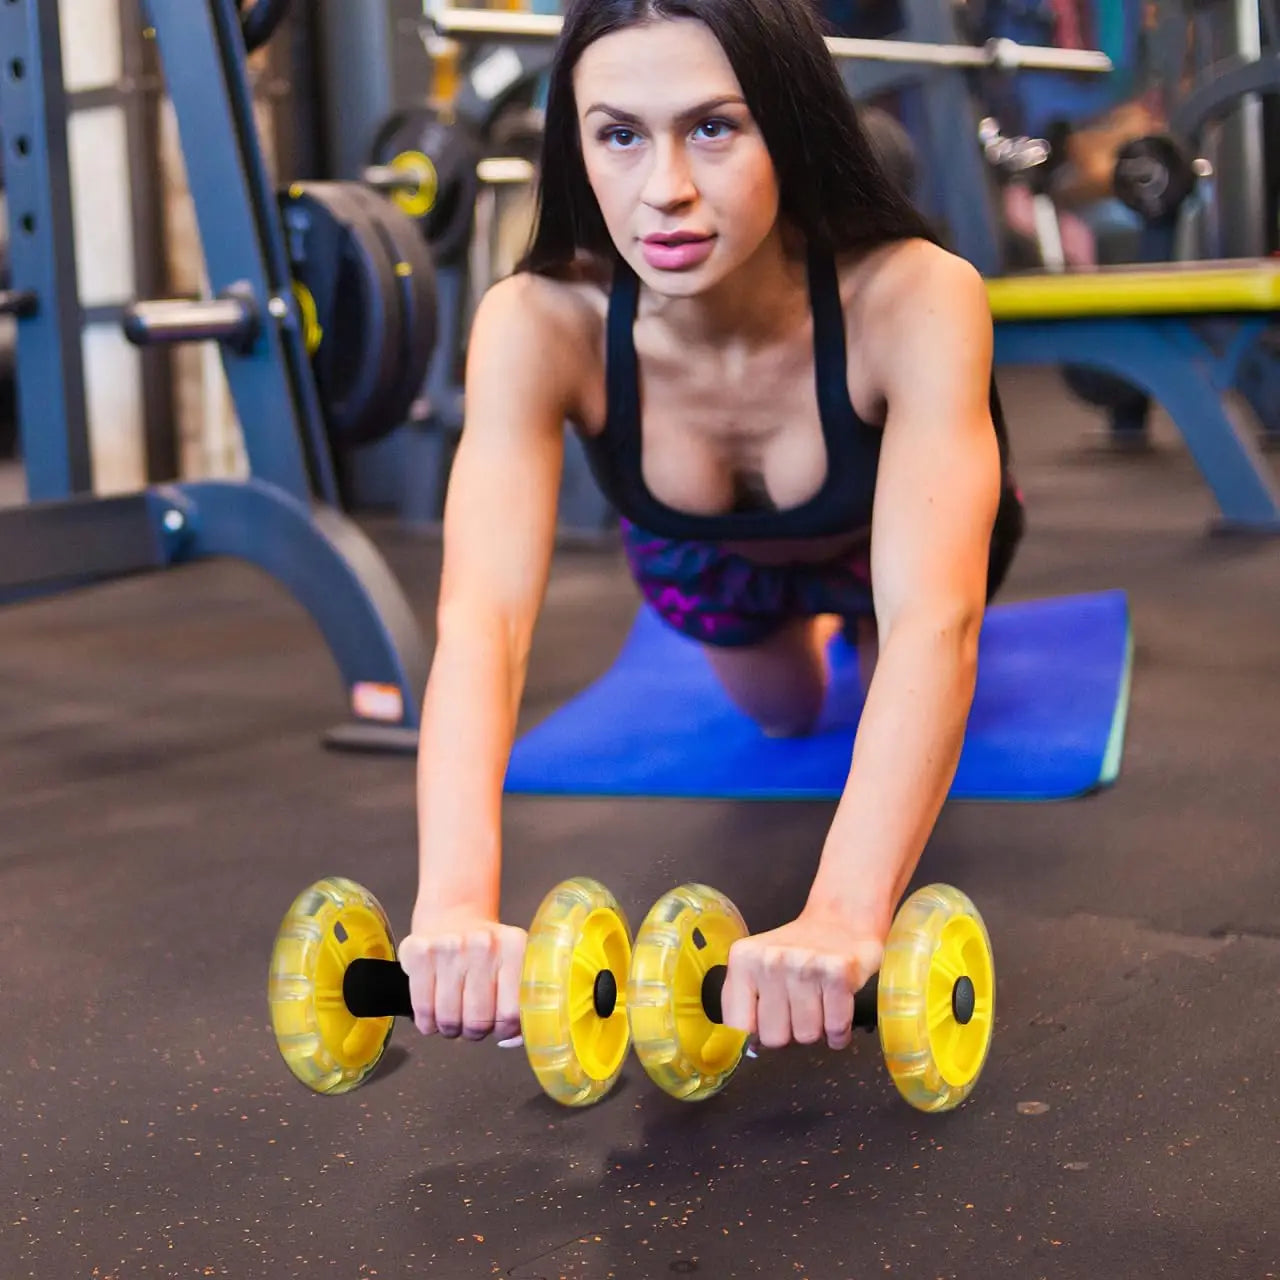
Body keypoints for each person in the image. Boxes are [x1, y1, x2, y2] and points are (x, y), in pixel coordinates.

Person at [399, 0, 1025, 1057]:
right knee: (784, 713)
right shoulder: (536, 321)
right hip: (706, 556)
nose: (665, 190)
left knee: (901, 685)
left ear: (787, 120)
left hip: (889, 546)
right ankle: (805, 636)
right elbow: (481, 623)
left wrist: (841, 915)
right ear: (577, 145)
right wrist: (451, 904)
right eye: (620, 134)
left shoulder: (913, 297)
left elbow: (933, 623)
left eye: (712, 127)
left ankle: (841, 626)